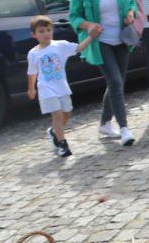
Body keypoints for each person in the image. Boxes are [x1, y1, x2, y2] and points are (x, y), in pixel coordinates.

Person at [69, 0, 140, 146]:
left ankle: (104, 123)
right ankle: (124, 128)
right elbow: (73, 16)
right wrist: (89, 25)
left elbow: (132, 2)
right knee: (116, 83)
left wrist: (130, 14)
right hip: (101, 42)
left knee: (116, 83)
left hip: (123, 39)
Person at [27, 15, 99, 158]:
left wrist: (91, 37)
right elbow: (32, 72)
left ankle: (54, 131)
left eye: (48, 30)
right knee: (57, 114)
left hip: (61, 86)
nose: (46, 33)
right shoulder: (33, 53)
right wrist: (31, 88)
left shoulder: (60, 45)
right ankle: (62, 144)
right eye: (41, 31)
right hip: (45, 89)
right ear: (34, 35)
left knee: (67, 112)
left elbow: (78, 48)